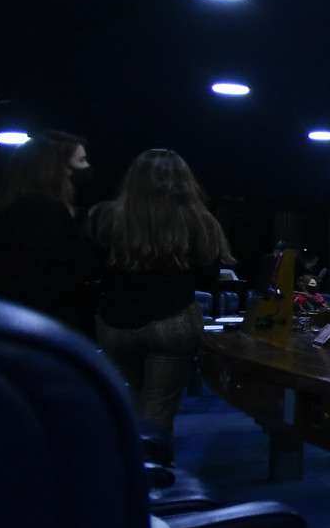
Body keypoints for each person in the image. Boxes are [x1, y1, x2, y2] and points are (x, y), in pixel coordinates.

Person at [86, 149, 232, 433]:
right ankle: (154, 456)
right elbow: (208, 280)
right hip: (173, 320)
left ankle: (129, 455)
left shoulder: (104, 217)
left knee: (132, 399)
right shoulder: (200, 221)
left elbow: (90, 269)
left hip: (116, 322)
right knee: (159, 406)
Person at [0, 130, 101, 331]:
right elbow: (34, 273)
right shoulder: (40, 210)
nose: (87, 167)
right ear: (58, 167)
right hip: (43, 319)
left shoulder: (20, 206)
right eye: (81, 160)